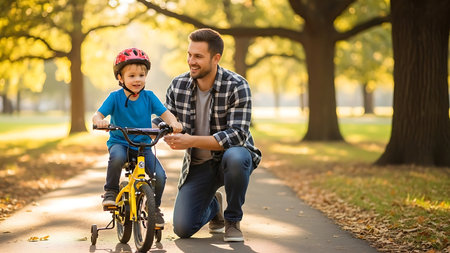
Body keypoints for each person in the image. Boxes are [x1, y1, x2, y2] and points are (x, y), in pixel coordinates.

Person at [153, 28, 261, 242]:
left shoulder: (237, 85)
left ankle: (232, 220)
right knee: (183, 228)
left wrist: (190, 141)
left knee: (237, 157)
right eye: (189, 54)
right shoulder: (178, 85)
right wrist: (148, 132)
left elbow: (237, 135)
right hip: (199, 165)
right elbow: (166, 118)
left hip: (230, 160)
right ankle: (214, 206)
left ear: (216, 58)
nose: (191, 61)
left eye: (198, 56)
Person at [92, 48, 183, 228]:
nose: (137, 79)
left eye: (141, 75)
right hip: (120, 142)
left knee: (160, 176)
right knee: (117, 158)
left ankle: (154, 208)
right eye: (132, 75)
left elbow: (166, 114)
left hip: (143, 145)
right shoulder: (115, 97)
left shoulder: (149, 97)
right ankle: (110, 191)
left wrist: (175, 123)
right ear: (120, 78)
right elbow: (98, 115)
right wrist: (99, 121)